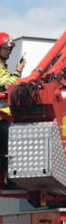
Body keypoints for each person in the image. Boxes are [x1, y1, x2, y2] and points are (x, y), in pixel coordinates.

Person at [0, 32, 25, 185]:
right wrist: (18, 71)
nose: (9, 51)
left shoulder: (3, 65)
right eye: (6, 48)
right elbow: (6, 84)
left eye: (11, 48)